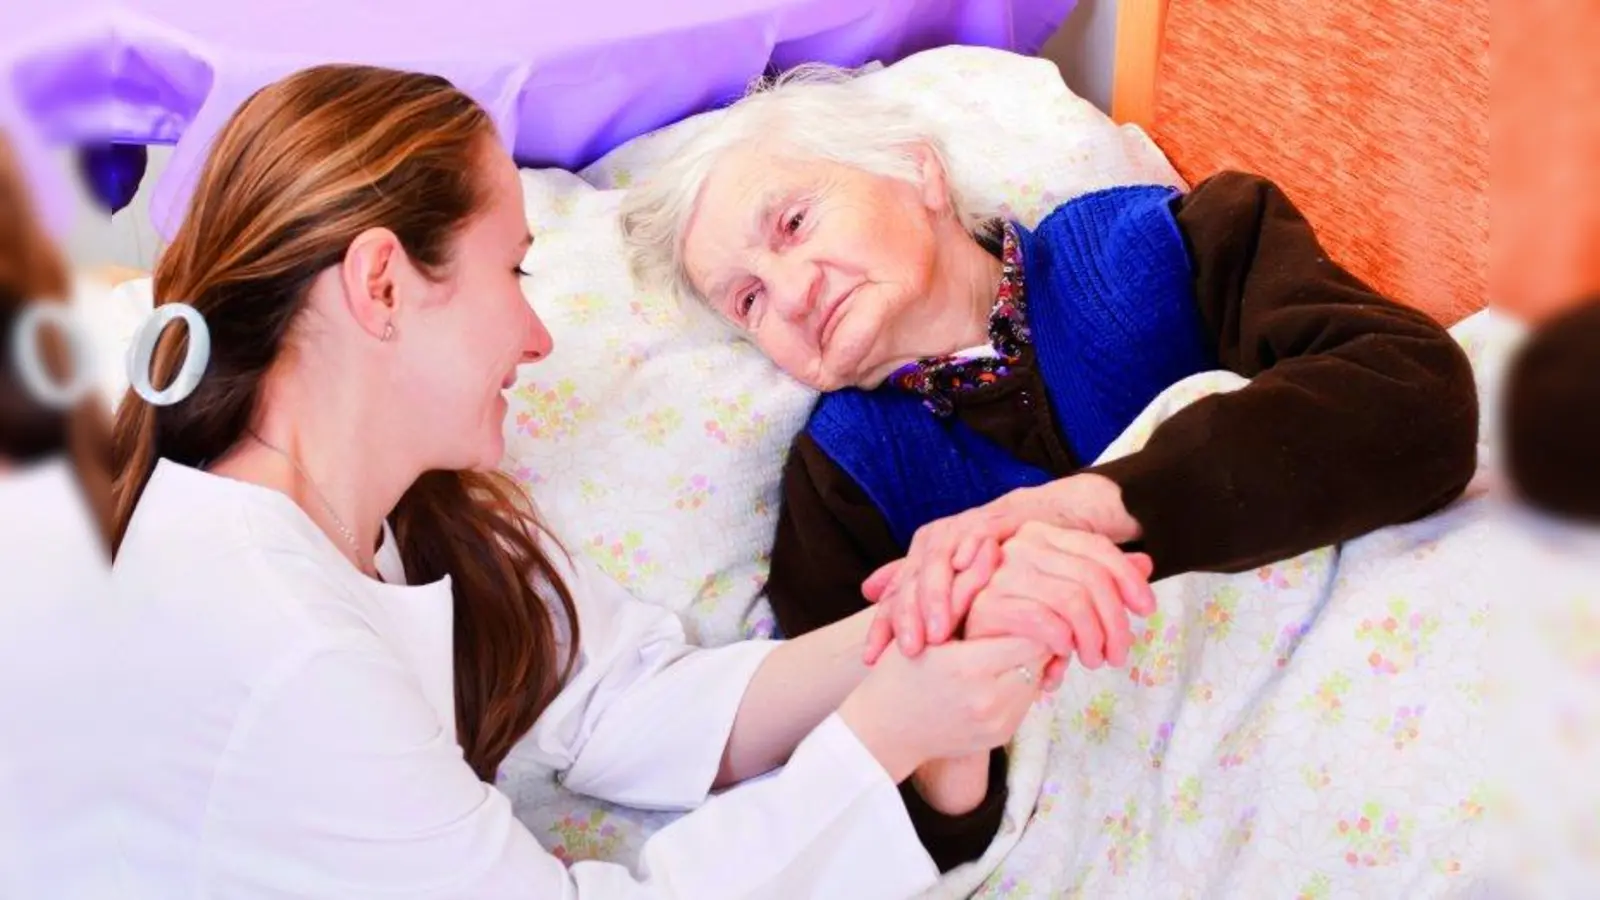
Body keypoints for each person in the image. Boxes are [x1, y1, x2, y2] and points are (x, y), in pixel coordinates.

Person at [95, 65, 1054, 899]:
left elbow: (630, 701)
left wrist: (927, 619)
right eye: (514, 272)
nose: (538, 338)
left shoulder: (391, 528)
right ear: (382, 285)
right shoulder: (275, 639)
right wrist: (879, 740)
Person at [620, 64, 1481, 863]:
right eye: (749, 300)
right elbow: (859, 825)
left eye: (794, 223)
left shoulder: (1168, 245)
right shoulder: (843, 481)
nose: (791, 292)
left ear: (918, 170)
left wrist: (1090, 510)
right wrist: (950, 723)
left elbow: (1419, 403)